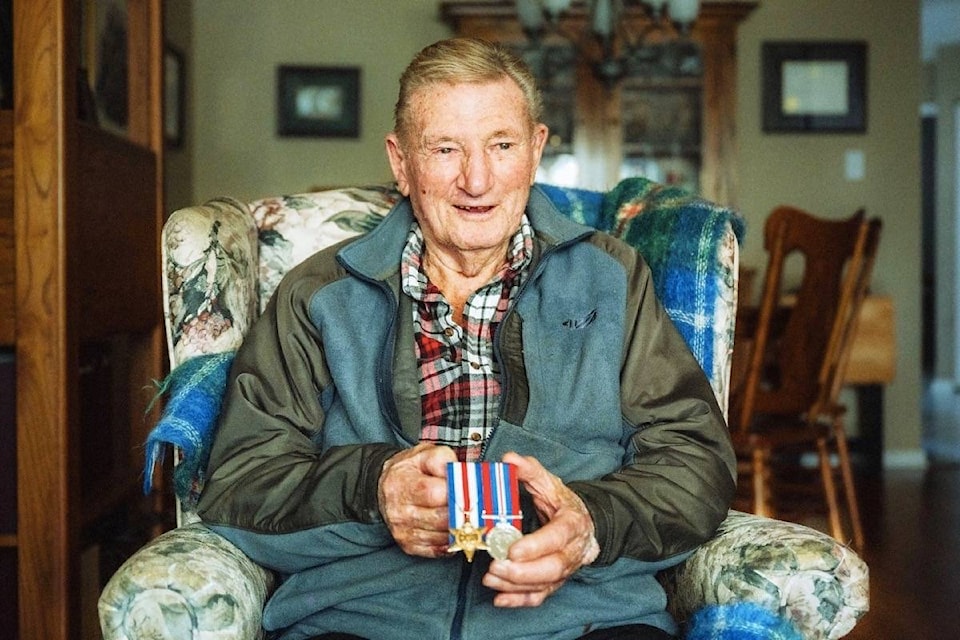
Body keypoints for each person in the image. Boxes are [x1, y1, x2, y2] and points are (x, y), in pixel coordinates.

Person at [197, 37, 736, 640]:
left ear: (535, 152)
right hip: (362, 618)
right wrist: (372, 488)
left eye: (501, 146)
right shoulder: (318, 295)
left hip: (581, 620)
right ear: (401, 164)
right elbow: (238, 483)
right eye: (446, 148)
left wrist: (591, 526)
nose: (476, 179)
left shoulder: (612, 279)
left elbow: (696, 460)